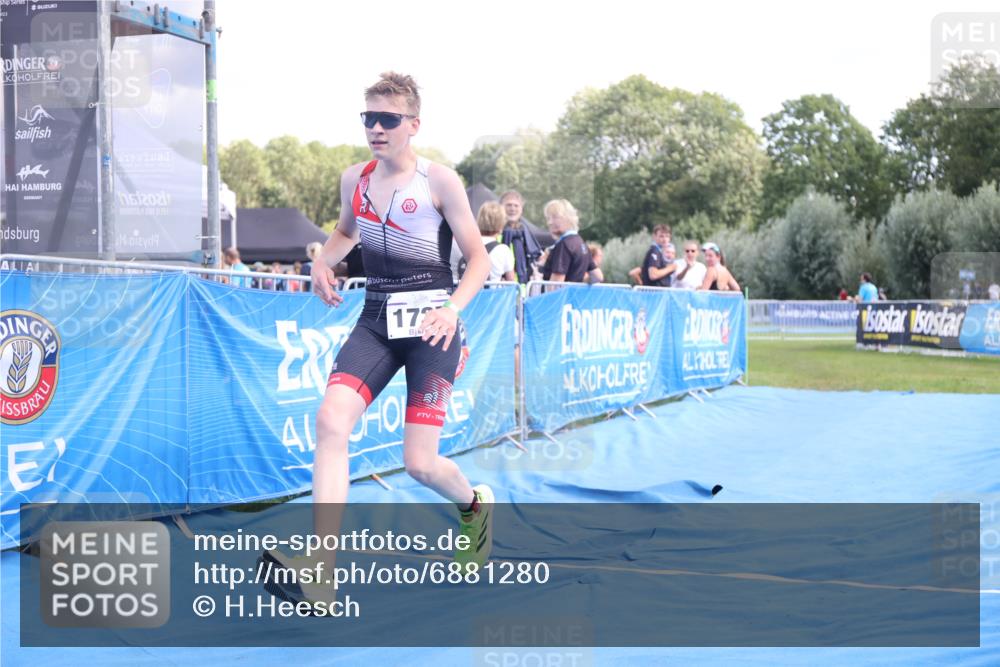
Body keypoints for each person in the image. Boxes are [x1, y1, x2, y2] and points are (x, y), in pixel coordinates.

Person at [264, 72, 493, 607]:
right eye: (368, 117)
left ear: (414, 125)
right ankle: (321, 569)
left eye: (388, 119)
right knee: (329, 421)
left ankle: (474, 505)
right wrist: (325, 257)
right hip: (376, 319)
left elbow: (479, 257)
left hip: (433, 328)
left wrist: (452, 309)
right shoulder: (356, 179)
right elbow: (345, 231)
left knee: (420, 464)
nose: (376, 128)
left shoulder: (440, 181)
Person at [541, 199, 603, 284]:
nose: (550, 222)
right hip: (574, 296)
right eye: (548, 218)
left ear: (568, 217)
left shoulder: (564, 245)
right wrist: (579, 286)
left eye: (555, 217)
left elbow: (556, 284)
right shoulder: (581, 243)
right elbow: (597, 277)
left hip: (561, 296)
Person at [460, 201, 516, 282]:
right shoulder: (503, 250)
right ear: (501, 224)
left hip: (464, 293)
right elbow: (510, 282)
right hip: (491, 294)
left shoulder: (463, 244)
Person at [500, 190, 543, 284]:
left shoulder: (526, 232)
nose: (512, 209)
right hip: (500, 284)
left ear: (521, 209)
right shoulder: (495, 231)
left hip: (523, 284)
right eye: (509, 205)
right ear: (501, 207)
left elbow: (536, 256)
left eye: (516, 205)